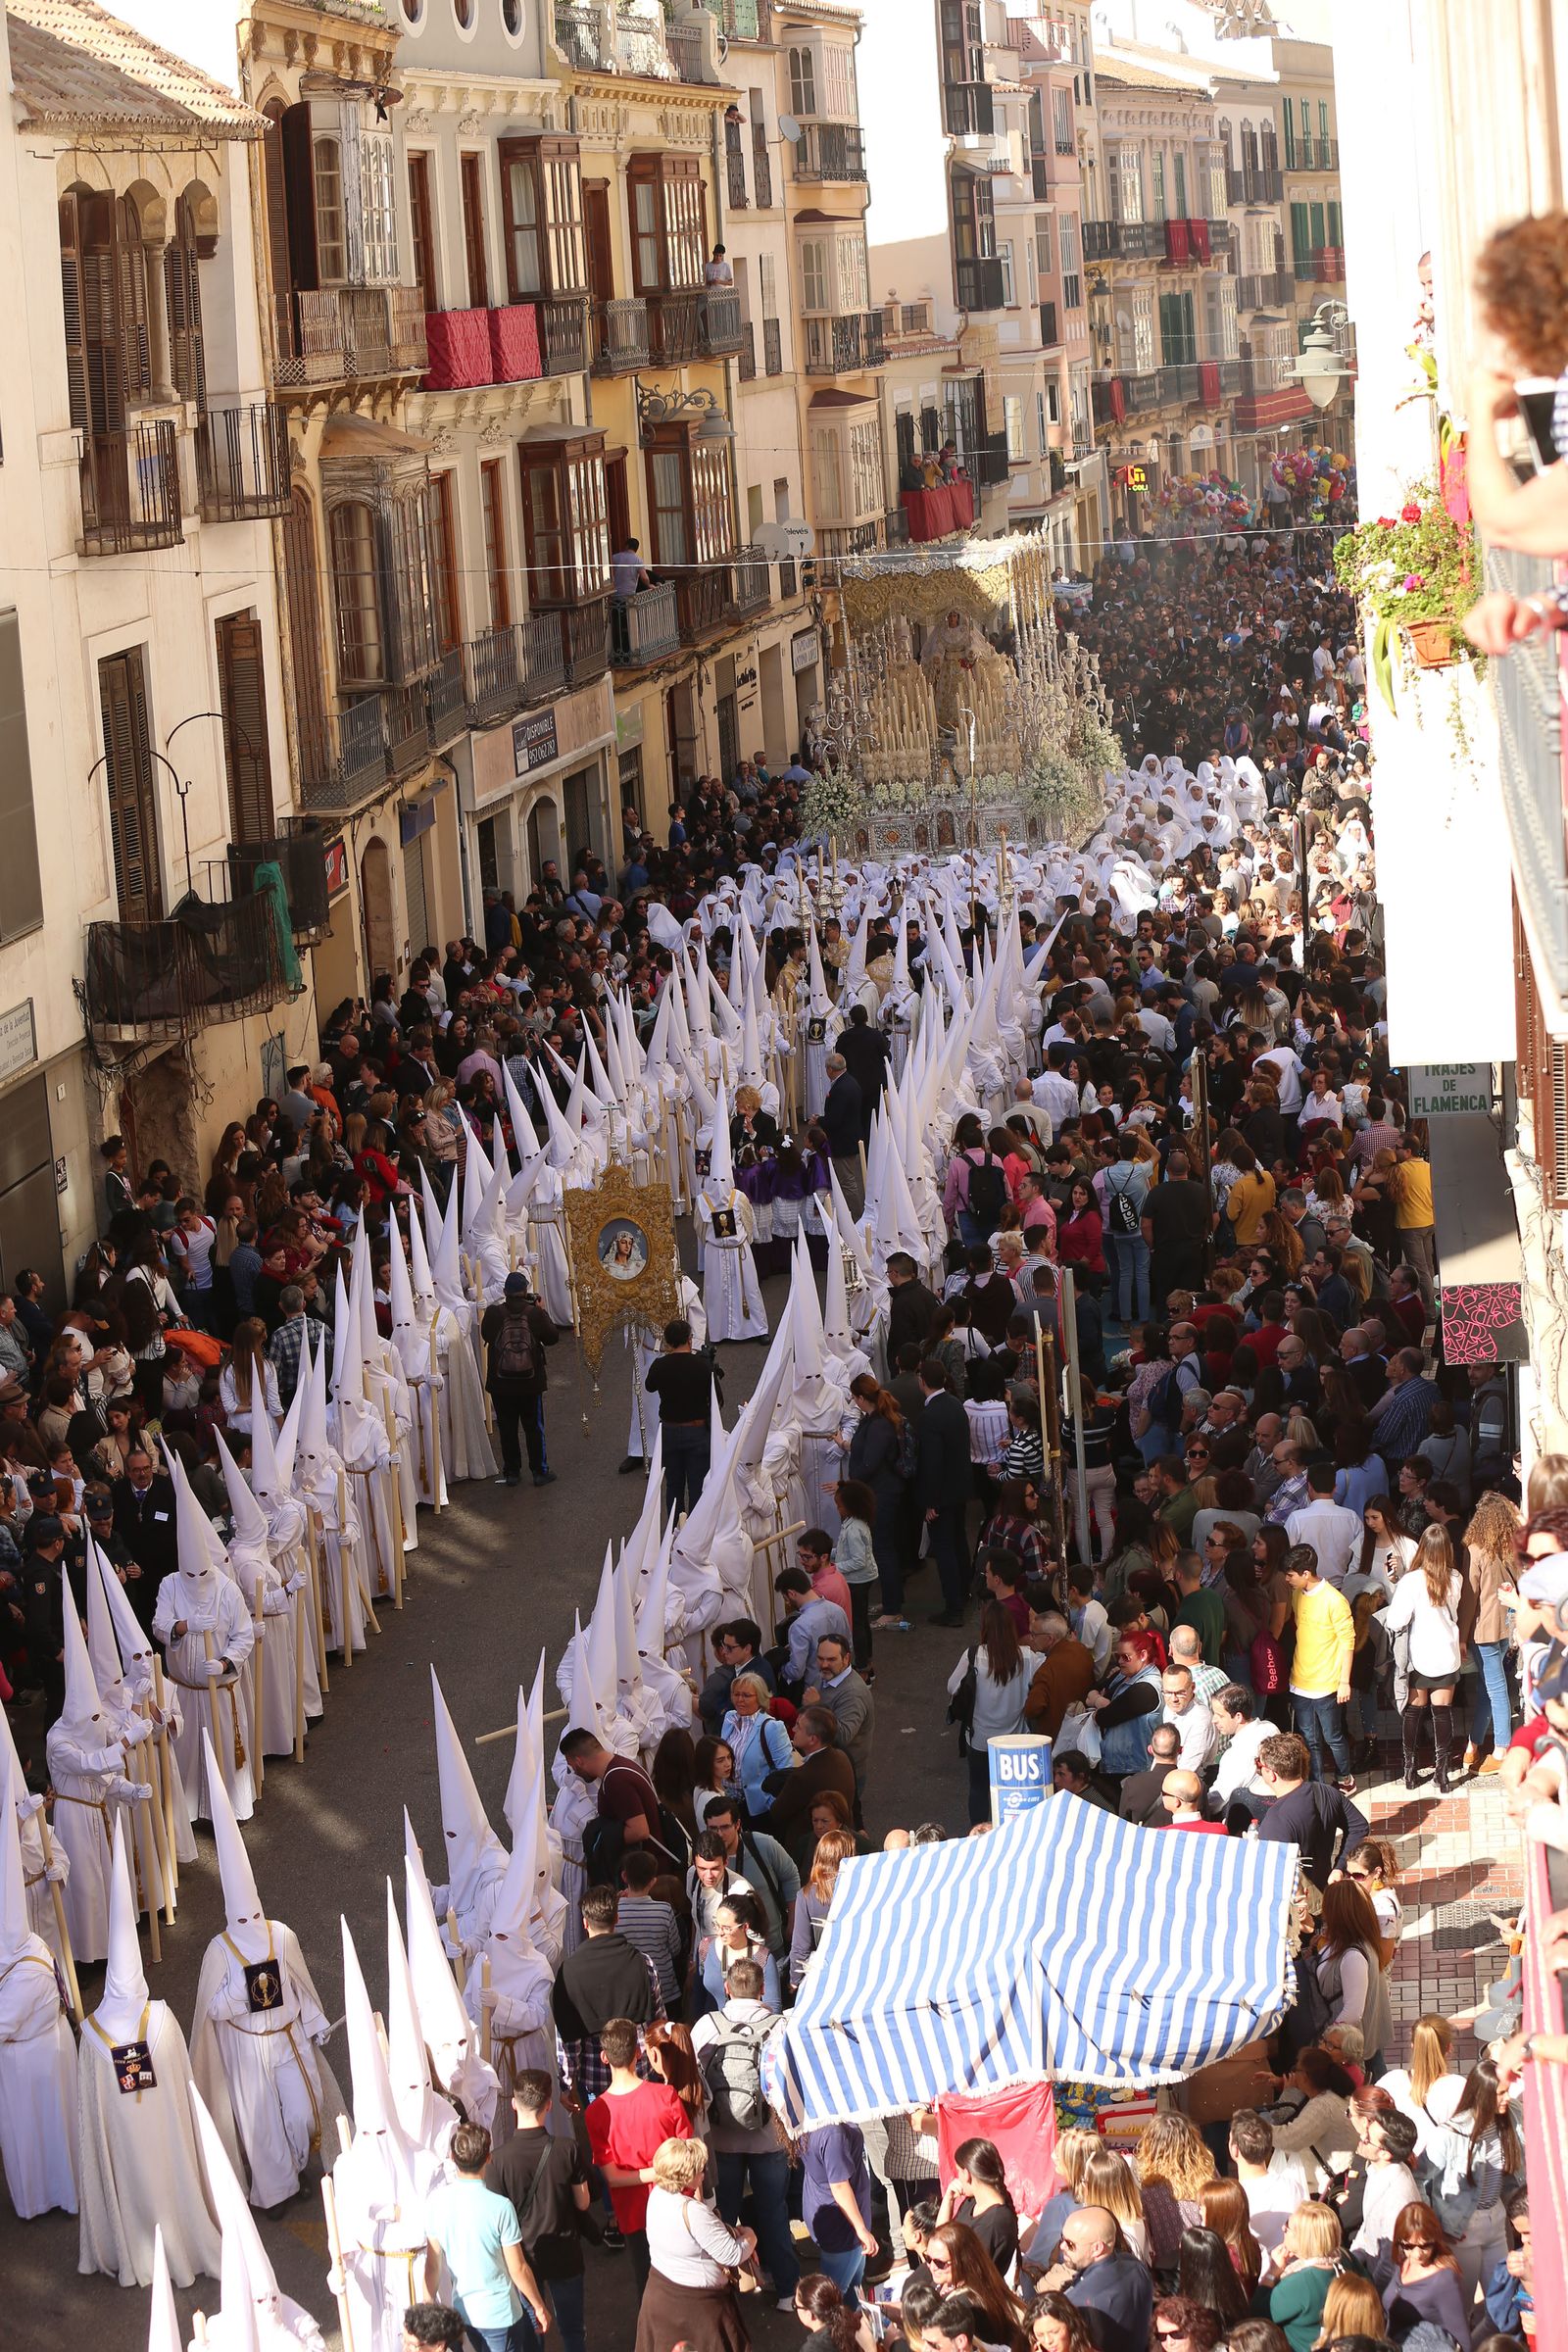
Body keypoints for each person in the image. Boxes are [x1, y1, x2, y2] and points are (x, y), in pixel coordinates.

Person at [690, 1952, 798, 2310]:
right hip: (769, 2139)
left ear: (726, 1989)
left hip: (722, 2140)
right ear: (763, 1990)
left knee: (723, 2216)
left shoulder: (707, 2025)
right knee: (773, 2212)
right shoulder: (781, 2027)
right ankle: (786, 2291)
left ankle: (725, 2292)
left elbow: (692, 2074)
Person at [484, 2070, 593, 2352]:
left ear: (513, 2103)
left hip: (522, 2260)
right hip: (565, 2253)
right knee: (572, 2331)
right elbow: (583, 2203)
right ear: (548, 2104)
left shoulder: (497, 2161)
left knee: (533, 2336)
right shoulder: (566, 2149)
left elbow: (496, 2221)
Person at [423, 2122, 552, 2352]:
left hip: (465, 2313)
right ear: (488, 2158)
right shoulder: (501, 2208)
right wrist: (539, 2306)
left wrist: (426, 2308)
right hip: (501, 2314)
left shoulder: (436, 2204)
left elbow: (433, 2266)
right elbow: (518, 2268)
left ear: (452, 2157)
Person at [584, 2017, 692, 2291]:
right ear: (638, 2052)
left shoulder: (596, 2113)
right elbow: (689, 2156)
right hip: (676, 2204)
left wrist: (648, 2175)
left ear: (603, 2058)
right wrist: (663, 2173)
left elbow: (613, 2178)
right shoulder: (665, 2096)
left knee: (647, 2283)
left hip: (634, 2214)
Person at [637, 2133, 755, 2352]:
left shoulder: (656, 2196)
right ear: (685, 2174)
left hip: (660, 2298)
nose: (703, 2174)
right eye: (700, 2170)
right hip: (696, 2310)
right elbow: (732, 2254)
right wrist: (750, 2236)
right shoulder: (692, 2212)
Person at [1378, 1522, 1464, 1790]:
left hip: (1418, 1655)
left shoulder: (1411, 1580)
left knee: (1414, 1712)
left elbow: (1395, 1620)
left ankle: (1410, 1771)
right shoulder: (1455, 1578)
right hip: (1447, 1653)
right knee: (1442, 1713)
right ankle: (1442, 1774)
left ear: (1423, 1549)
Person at [950, 1598, 1041, 1824]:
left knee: (979, 1789)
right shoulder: (1027, 1657)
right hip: (1016, 1742)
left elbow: (952, 1686)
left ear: (985, 1627)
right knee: (1015, 1795)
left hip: (980, 1739)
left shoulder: (973, 1655)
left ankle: (979, 1836)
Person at [1283, 1544, 1358, 1792]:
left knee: (1333, 1737)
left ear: (1306, 1573)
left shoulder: (1335, 1601)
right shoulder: (1297, 1594)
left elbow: (1348, 1641)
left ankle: (1345, 1778)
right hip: (1300, 1681)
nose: (1287, 1579)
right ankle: (1316, 1784)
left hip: (1327, 1683)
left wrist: (1344, 1681)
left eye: (1291, 1574)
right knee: (1310, 1739)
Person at [480, 1274, 560, 1489]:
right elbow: (553, 1337)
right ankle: (539, 1471)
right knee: (534, 1427)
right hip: (530, 1383)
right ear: (525, 1291)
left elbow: (485, 1333)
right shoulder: (534, 1314)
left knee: (507, 1429)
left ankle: (512, 1472)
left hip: (501, 1384)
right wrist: (541, 1311)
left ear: (505, 1292)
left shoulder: (494, 1313)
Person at [1037, 2206, 1152, 2352]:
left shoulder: (1076, 2301)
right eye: (1062, 2238)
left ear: (1097, 2248)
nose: (1062, 2246)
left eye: (1070, 2244)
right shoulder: (1137, 2267)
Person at [916, 1355, 976, 1627]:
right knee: (958, 1542)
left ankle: (953, 1608)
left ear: (922, 1381)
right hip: (960, 1488)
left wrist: (930, 1502)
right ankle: (964, 1592)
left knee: (944, 1550)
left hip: (941, 1493)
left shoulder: (929, 1416)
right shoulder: (955, 1405)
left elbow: (932, 1463)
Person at [800, 2116, 879, 2306]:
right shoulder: (832, 2133)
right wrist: (861, 2229)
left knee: (852, 2292)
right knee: (831, 2302)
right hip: (844, 2225)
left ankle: (856, 2328)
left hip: (831, 2214)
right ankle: (837, 2334)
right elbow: (840, 2186)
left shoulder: (809, 2118)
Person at [645, 1320, 715, 1516]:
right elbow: (718, 1400)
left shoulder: (660, 1365)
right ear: (689, 1340)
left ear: (668, 1342)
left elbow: (649, 1386)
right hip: (697, 1431)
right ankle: (696, 1534)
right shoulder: (702, 1365)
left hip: (670, 1431)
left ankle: (675, 1532)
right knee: (697, 1486)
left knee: (674, 1486)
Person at [1381, 2203, 1474, 2350]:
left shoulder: (1444, 2279)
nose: (1417, 2254)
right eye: (1409, 2246)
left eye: (1425, 2245)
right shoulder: (1402, 2262)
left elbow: (1462, 2338)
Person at [1267, 2203, 1344, 2352]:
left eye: (1287, 2227)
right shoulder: (1344, 2259)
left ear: (1303, 2238)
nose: (1283, 2228)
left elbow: (1259, 2312)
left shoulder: (1299, 2283)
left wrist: (1272, 2272)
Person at [719, 1674, 796, 1822]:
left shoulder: (772, 1727)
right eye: (736, 1694)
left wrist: (769, 1802)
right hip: (728, 1801)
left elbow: (785, 1772)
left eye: (746, 1695)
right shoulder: (730, 1718)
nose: (740, 1700)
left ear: (760, 1698)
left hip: (758, 1808)